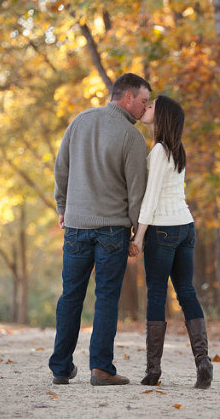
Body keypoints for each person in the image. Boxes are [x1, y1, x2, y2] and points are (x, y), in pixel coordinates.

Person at [49, 73, 151, 386]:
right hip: (112, 230)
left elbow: (61, 167)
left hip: (76, 225)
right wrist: (137, 232)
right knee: (106, 297)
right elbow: (137, 191)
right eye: (143, 101)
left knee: (71, 295)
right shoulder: (132, 137)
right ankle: (101, 369)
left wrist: (62, 207)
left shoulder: (80, 121)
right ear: (128, 97)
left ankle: (61, 368)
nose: (145, 108)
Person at [128, 95, 213, 389]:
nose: (146, 108)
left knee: (156, 294)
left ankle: (153, 370)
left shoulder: (159, 151)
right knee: (186, 292)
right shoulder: (178, 150)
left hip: (163, 229)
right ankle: (203, 361)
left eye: (151, 106)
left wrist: (138, 237)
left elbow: (151, 199)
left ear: (161, 115)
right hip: (185, 226)